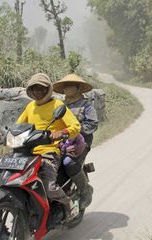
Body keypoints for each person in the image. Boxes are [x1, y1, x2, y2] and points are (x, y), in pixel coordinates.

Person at [6, 73, 81, 221]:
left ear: (48, 89)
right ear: (31, 91)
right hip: (27, 151)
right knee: (14, 179)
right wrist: (5, 135)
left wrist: (62, 132)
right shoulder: (30, 107)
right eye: (35, 89)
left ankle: (68, 204)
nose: (38, 92)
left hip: (50, 151)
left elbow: (76, 126)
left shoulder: (57, 106)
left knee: (49, 186)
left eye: (41, 89)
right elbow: (18, 126)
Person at [53, 74, 98, 209]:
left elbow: (92, 124)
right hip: (60, 142)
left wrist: (74, 133)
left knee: (68, 162)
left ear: (78, 88)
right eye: (65, 86)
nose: (67, 88)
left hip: (80, 143)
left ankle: (85, 190)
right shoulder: (59, 105)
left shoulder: (86, 106)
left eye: (70, 85)